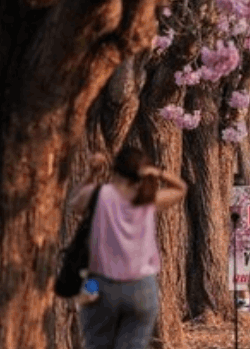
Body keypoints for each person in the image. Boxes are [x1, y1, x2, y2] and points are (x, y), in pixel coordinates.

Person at [68, 147, 188, 349]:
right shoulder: (147, 199)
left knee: (97, 343)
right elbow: (181, 189)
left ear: (115, 170)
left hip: (99, 285)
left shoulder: (100, 195)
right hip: (142, 286)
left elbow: (74, 205)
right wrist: (157, 172)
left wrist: (91, 174)